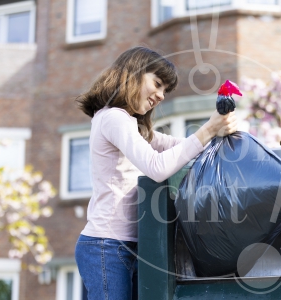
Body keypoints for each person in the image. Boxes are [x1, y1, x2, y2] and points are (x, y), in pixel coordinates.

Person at [74, 46, 238, 299]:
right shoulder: (113, 118)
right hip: (106, 246)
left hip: (132, 245)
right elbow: (157, 167)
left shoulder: (132, 125)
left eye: (165, 90)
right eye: (158, 84)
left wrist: (216, 132)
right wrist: (207, 130)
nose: (161, 96)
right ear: (134, 74)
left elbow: (178, 147)